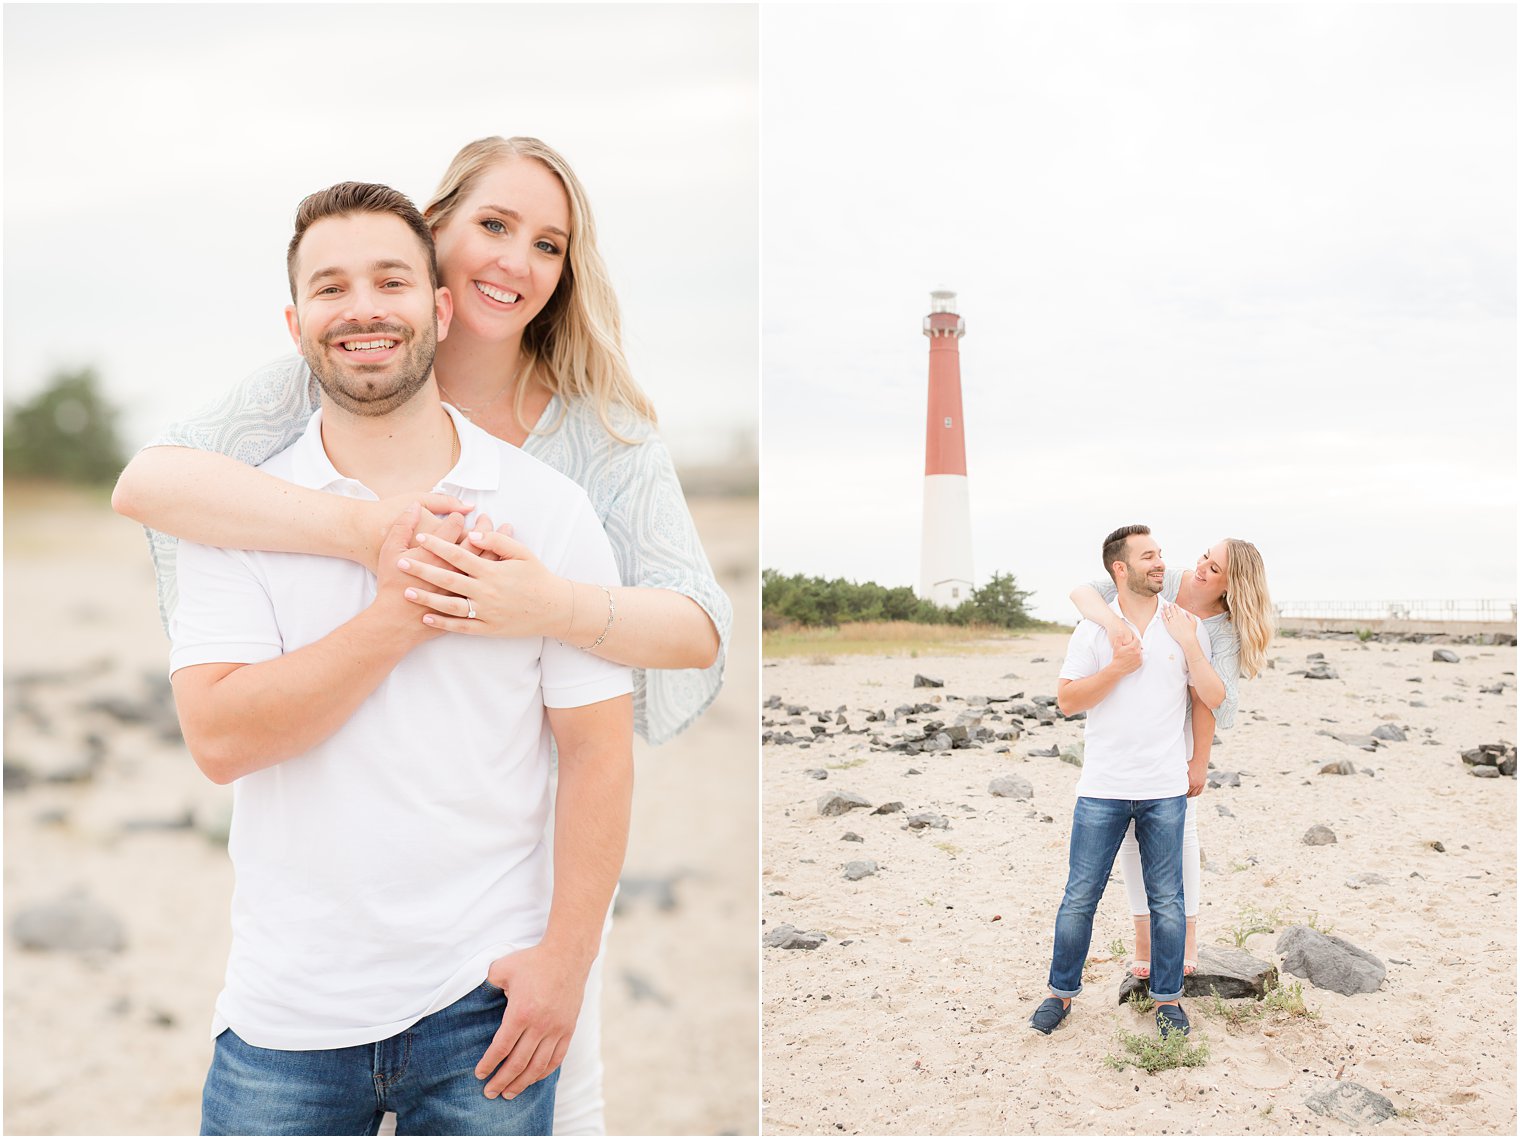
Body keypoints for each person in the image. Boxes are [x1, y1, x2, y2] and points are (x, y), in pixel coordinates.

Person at [112, 137, 731, 1135]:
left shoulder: (586, 446)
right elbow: (149, 484)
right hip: (297, 992)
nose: (513, 261)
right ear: (438, 232)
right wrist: (374, 539)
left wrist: (548, 603)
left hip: (499, 939)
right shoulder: (306, 387)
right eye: (491, 225)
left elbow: (692, 635)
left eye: (546, 244)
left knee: (578, 1103)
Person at [1030, 525, 1222, 1042]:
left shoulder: (1186, 627)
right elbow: (1068, 702)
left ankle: (1167, 1000)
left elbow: (1208, 700)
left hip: (1164, 787)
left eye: (1161, 554)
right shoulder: (1095, 631)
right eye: (1148, 557)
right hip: (1102, 786)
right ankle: (1059, 994)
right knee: (1079, 897)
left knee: (1168, 899)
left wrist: (1198, 763)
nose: (1161, 564)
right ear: (1121, 569)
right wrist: (1117, 667)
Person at [1068, 538, 1273, 979]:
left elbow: (1212, 702)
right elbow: (1083, 592)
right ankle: (1143, 938)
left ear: (1230, 584)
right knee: (1129, 836)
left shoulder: (1222, 629)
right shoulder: (1166, 579)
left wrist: (1199, 761)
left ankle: (1186, 939)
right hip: (1135, 717)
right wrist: (1113, 624)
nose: (1201, 568)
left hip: (1180, 725)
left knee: (1184, 832)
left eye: (1214, 568)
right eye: (1205, 556)